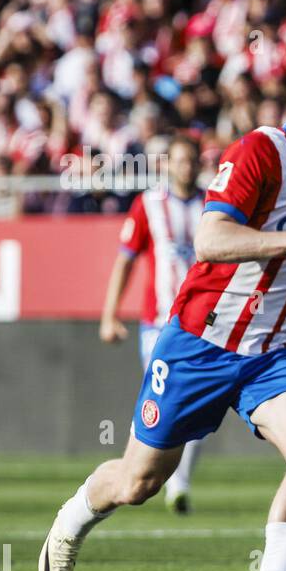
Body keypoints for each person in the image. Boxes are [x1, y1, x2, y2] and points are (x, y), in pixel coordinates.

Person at [38, 49, 286, 571]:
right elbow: (210, 238)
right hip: (201, 343)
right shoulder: (261, 150)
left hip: (275, 357)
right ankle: (72, 518)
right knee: (140, 481)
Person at [99, 133, 205, 513]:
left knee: (198, 405)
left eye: (191, 160)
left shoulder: (215, 204)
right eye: (179, 160)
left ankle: (178, 482)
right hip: (158, 323)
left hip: (204, 322)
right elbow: (125, 259)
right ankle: (135, 471)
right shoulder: (149, 204)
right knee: (162, 401)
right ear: (168, 164)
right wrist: (110, 314)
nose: (186, 167)